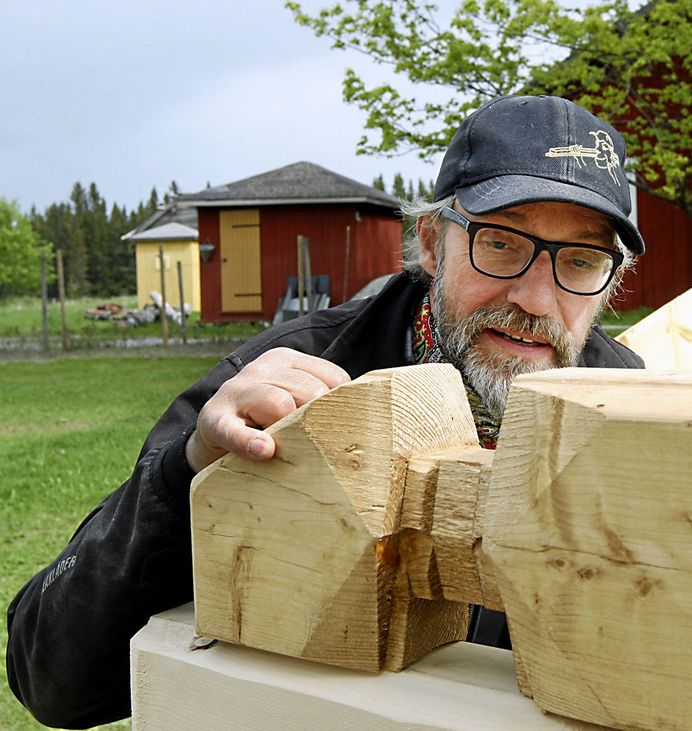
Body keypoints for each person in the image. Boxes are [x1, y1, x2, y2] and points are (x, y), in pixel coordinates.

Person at [6, 94, 646, 728]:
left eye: (580, 259)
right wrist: (189, 473)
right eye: (502, 243)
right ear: (432, 242)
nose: (537, 299)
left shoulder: (631, 408)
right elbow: (54, 681)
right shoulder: (287, 377)